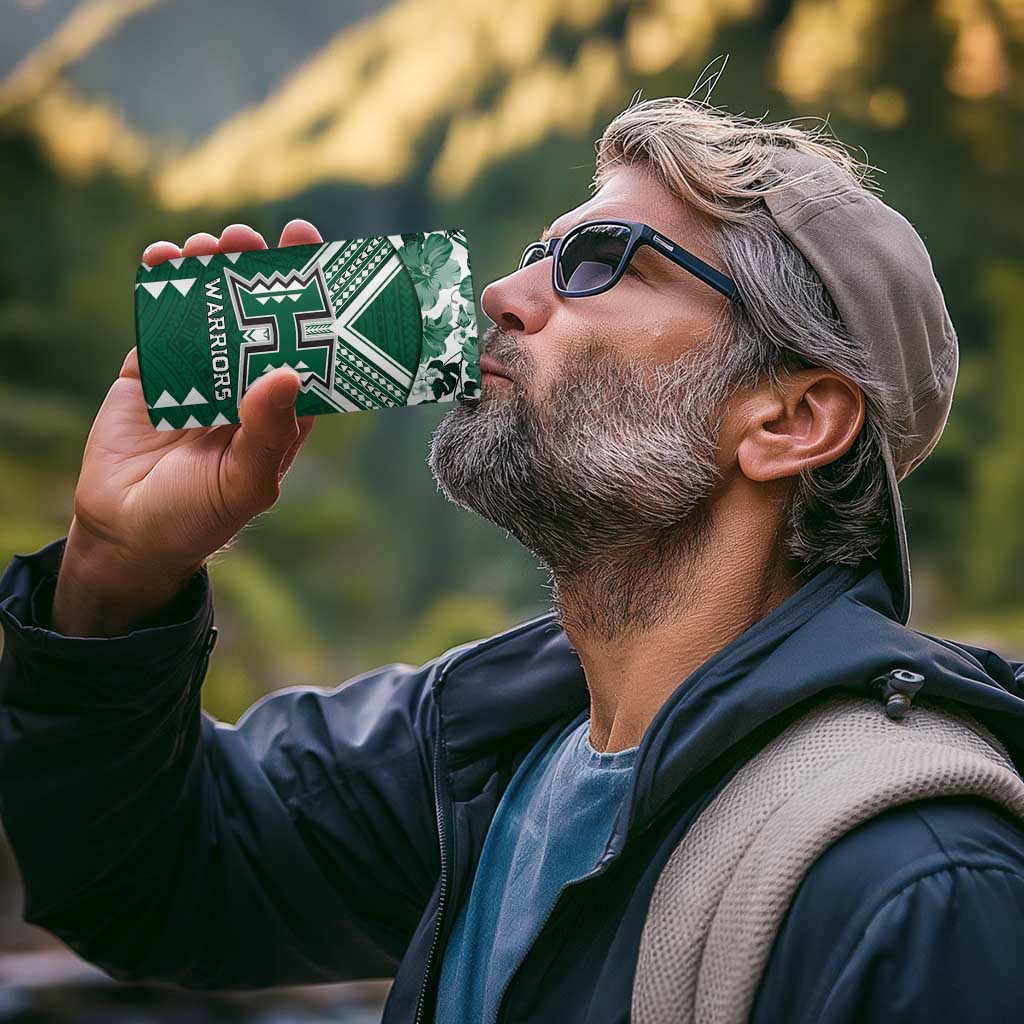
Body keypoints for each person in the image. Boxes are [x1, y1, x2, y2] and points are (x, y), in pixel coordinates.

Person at [2, 95, 1024, 1024]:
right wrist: (115, 572)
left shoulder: (918, 884)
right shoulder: (478, 750)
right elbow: (149, 880)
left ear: (791, 419)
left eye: (599, 261)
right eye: (539, 253)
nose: (501, 292)